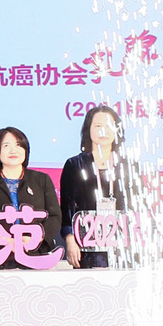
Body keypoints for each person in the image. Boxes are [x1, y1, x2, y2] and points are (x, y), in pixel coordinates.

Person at [0, 126, 62, 270]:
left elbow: (55, 216)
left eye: (18, 145)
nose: (13, 150)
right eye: (6, 146)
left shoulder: (42, 180)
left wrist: (36, 237)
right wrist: (2, 238)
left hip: (36, 251)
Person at [60, 105, 127, 270]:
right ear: (88, 130)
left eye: (109, 125)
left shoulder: (128, 165)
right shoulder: (74, 164)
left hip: (122, 242)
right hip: (87, 242)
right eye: (97, 126)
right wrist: (70, 239)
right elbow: (67, 208)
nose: (103, 130)